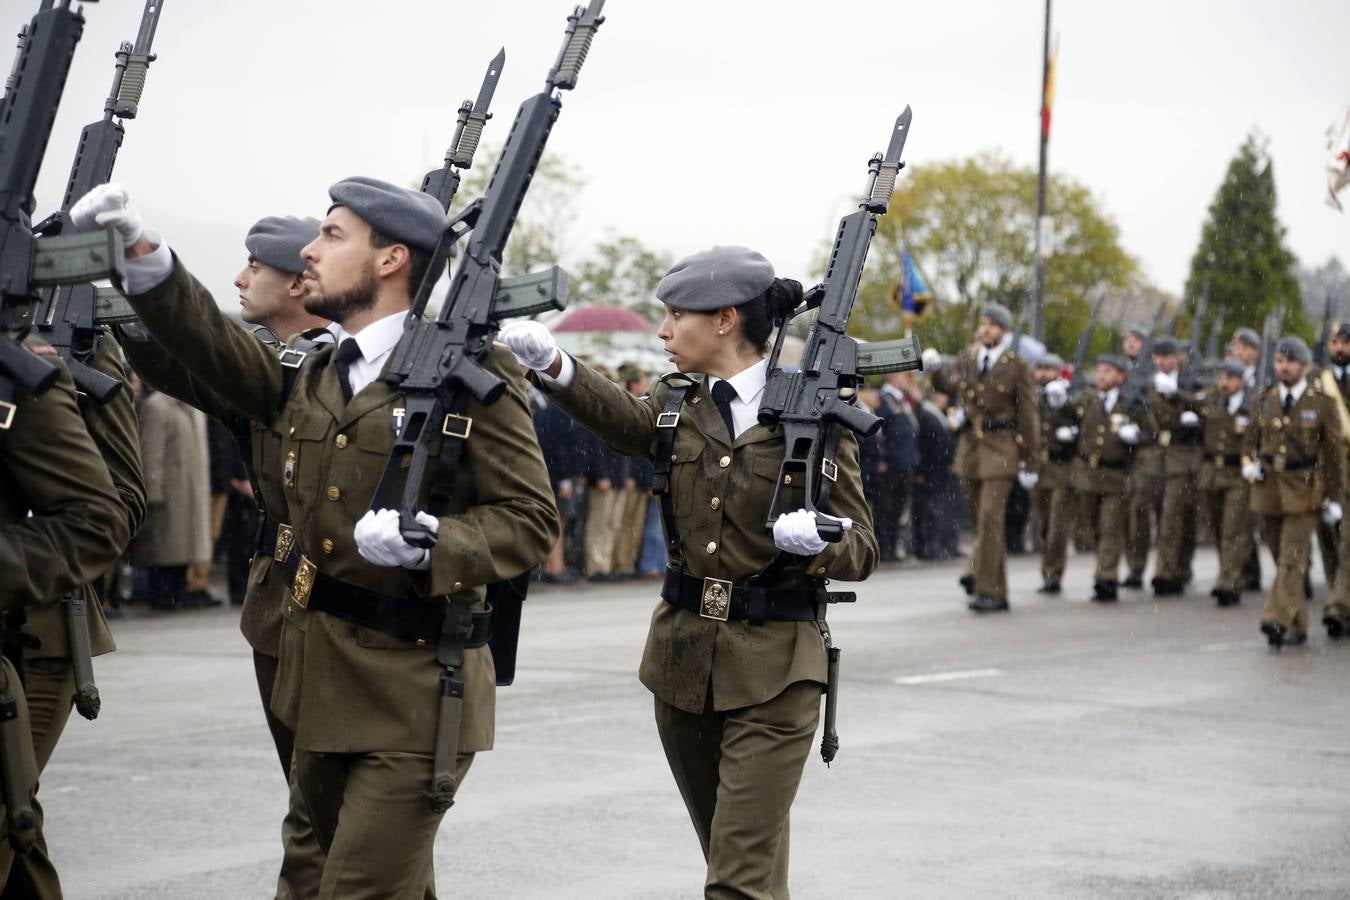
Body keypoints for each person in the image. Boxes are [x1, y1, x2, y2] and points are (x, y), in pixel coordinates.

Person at [73, 178, 559, 897]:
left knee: (353, 888)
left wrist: (435, 542)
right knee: (348, 873)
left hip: (416, 692)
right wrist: (143, 255)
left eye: (333, 236)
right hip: (317, 678)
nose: (309, 250)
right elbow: (210, 352)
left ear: (391, 259)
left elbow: (531, 518)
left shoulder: (471, 376)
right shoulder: (320, 373)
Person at [501, 245, 878, 900]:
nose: (664, 331)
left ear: (726, 320)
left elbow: (863, 547)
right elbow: (626, 421)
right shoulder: (681, 403)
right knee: (735, 863)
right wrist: (556, 367)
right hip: (682, 663)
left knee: (734, 881)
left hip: (776, 671)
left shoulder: (812, 416)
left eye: (678, 315)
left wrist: (822, 539)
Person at [114, 213, 331, 894]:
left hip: (337, 609)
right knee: (319, 808)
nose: (239, 278)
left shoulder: (346, 372)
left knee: (322, 818)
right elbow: (193, 371)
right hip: (276, 606)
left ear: (299, 284)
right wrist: (132, 318)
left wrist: (154, 273)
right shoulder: (275, 366)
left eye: (255, 268)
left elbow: (211, 349)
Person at [0, 333, 133, 891]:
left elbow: (116, 506)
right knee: (19, 829)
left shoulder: (55, 358)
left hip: (44, 631)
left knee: (15, 820)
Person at [929, 303, 1041, 612]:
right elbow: (952, 389)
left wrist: (1032, 460)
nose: (986, 329)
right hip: (971, 450)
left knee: (991, 519)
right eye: (984, 323)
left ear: (1004, 331)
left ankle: (988, 590)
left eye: (992, 325)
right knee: (983, 523)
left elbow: (1029, 414)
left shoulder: (1016, 365)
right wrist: (935, 370)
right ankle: (991, 585)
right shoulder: (969, 359)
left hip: (1002, 448)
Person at [1243, 336, 1344, 649]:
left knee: (1291, 559)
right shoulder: (1265, 399)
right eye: (1279, 361)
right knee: (1283, 559)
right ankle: (1298, 622)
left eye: (1290, 362)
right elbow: (1249, 443)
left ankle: (1277, 618)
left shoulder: (1321, 403)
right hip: (1269, 489)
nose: (1283, 367)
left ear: (1304, 366)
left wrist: (1336, 498)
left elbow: (1334, 456)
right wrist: (1249, 464)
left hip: (1305, 491)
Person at [1068, 356, 1155, 602]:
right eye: (1100, 371)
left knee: (1110, 527)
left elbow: (1151, 433)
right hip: (1089, 475)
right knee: (1092, 526)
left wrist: (1136, 434)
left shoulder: (1132, 404)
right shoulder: (1089, 399)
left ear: (1121, 376)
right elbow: (1069, 414)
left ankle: (1106, 579)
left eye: (1108, 371)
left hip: (1116, 475)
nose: (1102, 376)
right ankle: (1104, 568)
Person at [1147, 337, 1204, 596]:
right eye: (1157, 356)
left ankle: (1168, 571)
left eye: (1166, 356)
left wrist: (1183, 400)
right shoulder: (1147, 384)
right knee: (1161, 512)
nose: (1161, 361)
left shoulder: (1191, 380)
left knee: (1176, 514)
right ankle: (1174, 566)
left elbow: (1206, 407)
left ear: (1177, 357)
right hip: (1155, 455)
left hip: (1184, 455)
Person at [1198, 359, 1255, 607]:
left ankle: (1229, 582)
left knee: (1234, 529)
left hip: (1237, 475)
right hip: (1212, 473)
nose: (1224, 383)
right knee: (1219, 528)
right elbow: (1190, 401)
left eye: (1229, 378)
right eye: (1221, 378)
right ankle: (1232, 572)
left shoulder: (1252, 406)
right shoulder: (1213, 402)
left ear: (1241, 381)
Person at [1031, 354, 1074, 594]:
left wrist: (1066, 403)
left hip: (1061, 468)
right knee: (1044, 525)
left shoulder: (1069, 393)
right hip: (1039, 468)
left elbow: (1082, 415)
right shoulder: (1032, 397)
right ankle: (1047, 570)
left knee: (1058, 526)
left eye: (1049, 369)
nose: (1043, 374)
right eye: (1041, 369)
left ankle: (1053, 574)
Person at [875, 372, 919, 562]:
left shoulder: (901, 398)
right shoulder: (884, 398)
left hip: (904, 461)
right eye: (903, 377)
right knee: (886, 508)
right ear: (892, 378)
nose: (906, 381)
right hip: (892, 463)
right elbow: (879, 431)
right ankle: (884, 549)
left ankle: (892, 547)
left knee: (898, 507)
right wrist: (882, 457)